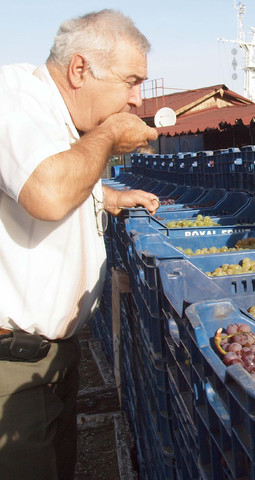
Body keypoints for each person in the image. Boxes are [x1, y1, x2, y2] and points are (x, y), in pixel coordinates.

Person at [0, 9, 160, 479]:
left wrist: (107, 196)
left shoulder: (60, 122)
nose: (136, 99)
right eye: (131, 81)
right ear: (79, 69)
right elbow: (46, 192)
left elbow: (59, 177)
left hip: (50, 357)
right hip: (13, 366)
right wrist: (109, 136)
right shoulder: (15, 96)